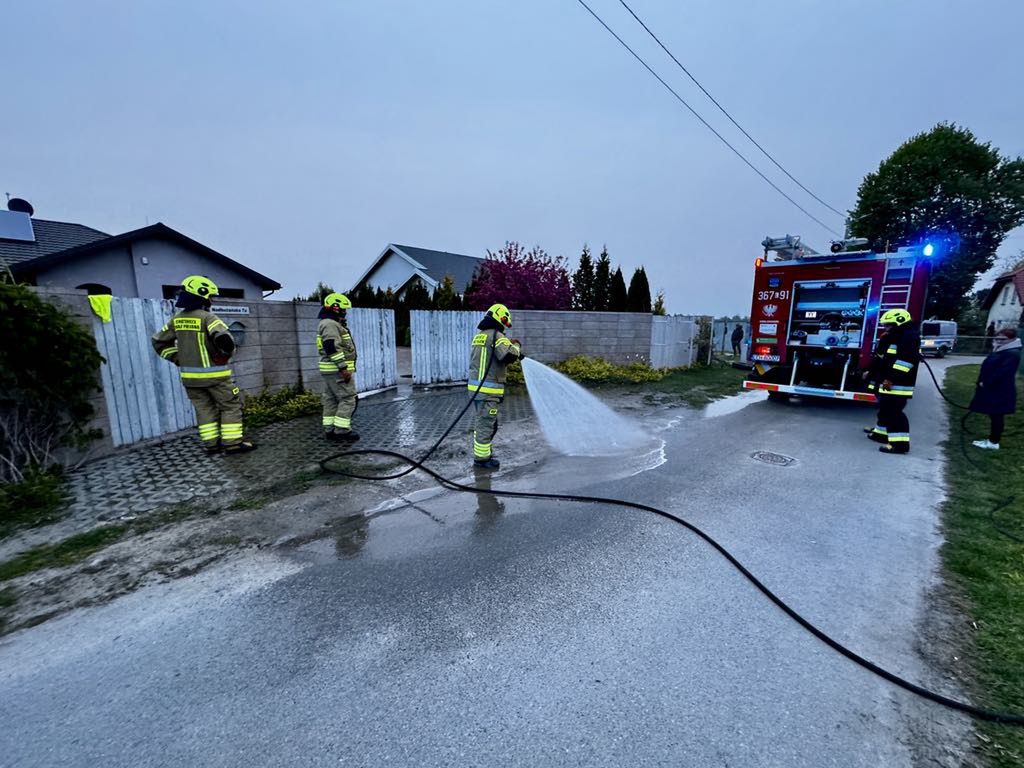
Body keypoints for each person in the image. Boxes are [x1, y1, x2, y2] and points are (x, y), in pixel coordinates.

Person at [152, 275, 256, 455]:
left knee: (204, 410)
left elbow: (158, 342)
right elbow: (225, 340)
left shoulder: (177, 320)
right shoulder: (208, 318)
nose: (212, 300)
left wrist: (178, 358)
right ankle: (232, 444)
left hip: (190, 379)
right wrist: (224, 355)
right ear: (202, 295)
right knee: (230, 406)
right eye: (210, 296)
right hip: (216, 376)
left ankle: (212, 445)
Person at [467, 303, 523, 470]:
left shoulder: (481, 335)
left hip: (477, 390)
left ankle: (483, 453)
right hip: (488, 390)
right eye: (505, 323)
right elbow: (508, 354)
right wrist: (517, 346)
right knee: (486, 424)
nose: (505, 328)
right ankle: (482, 460)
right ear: (500, 318)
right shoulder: (496, 336)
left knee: (483, 423)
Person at [866, 308, 920, 455]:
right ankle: (881, 434)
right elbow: (884, 358)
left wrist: (891, 378)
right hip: (889, 382)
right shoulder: (897, 336)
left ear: (899, 322)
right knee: (885, 409)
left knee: (894, 413)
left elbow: (906, 362)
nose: (886, 328)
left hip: (898, 384)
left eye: (889, 325)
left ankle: (900, 445)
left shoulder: (909, 337)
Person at [969, 327, 1022, 450]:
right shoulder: (1004, 350)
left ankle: (993, 442)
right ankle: (993, 440)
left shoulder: (1011, 353)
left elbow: (1002, 372)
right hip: (997, 389)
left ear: (1010, 339)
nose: (998, 340)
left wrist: (986, 382)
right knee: (995, 415)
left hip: (1000, 391)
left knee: (997, 415)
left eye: (1001, 338)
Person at [317, 292, 359, 442]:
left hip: (330, 370)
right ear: (335, 307)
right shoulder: (330, 324)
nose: (344, 312)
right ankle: (342, 431)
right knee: (348, 398)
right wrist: (343, 368)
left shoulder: (328, 323)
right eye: (343, 309)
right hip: (337, 371)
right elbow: (331, 346)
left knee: (331, 400)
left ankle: (330, 430)